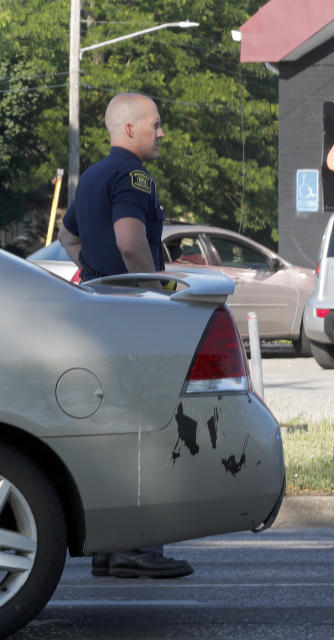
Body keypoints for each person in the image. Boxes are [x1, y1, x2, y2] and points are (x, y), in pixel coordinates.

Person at [59, 92, 193, 579]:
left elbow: (67, 235)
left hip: (99, 317)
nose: (162, 132)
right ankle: (138, 550)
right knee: (147, 431)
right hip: (134, 319)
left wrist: (96, 278)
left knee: (112, 432)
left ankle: (110, 551)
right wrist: (156, 295)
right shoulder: (133, 176)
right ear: (131, 129)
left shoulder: (93, 176)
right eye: (155, 124)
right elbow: (131, 241)